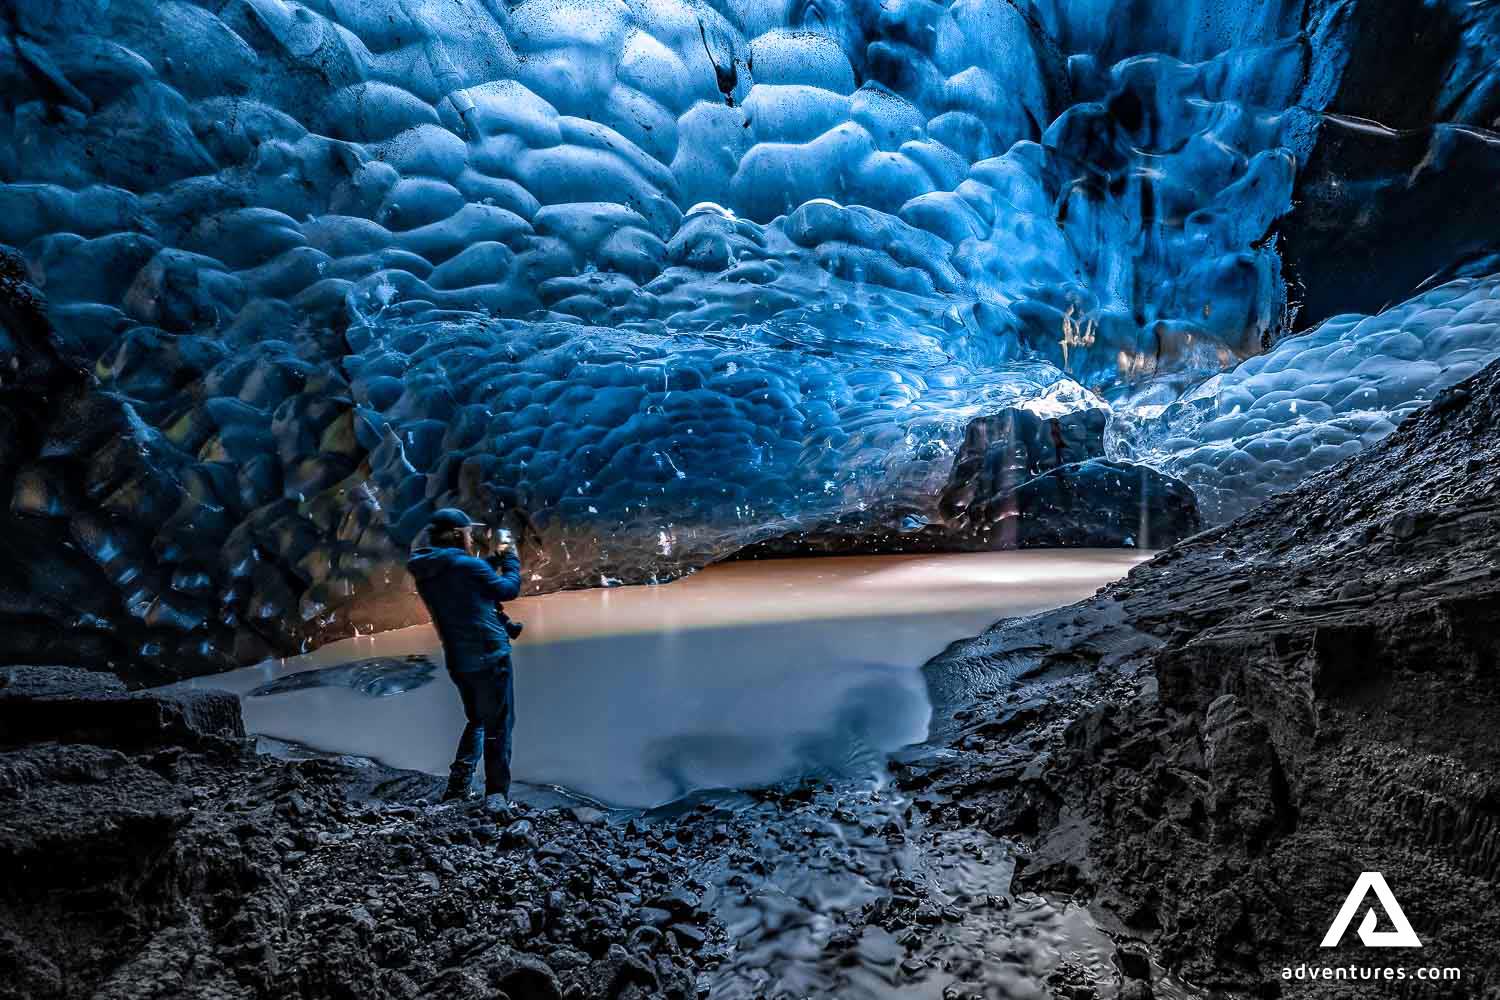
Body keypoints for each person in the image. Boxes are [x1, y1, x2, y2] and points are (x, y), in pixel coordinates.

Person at [407, 508, 523, 804]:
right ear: (459, 535)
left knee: (477, 720)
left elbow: (466, 576)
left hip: (458, 659)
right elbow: (508, 589)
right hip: (490, 655)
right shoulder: (466, 567)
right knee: (499, 725)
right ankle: (496, 797)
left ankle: (457, 788)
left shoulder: (426, 567)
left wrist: (492, 560)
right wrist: (509, 557)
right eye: (470, 533)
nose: (473, 538)